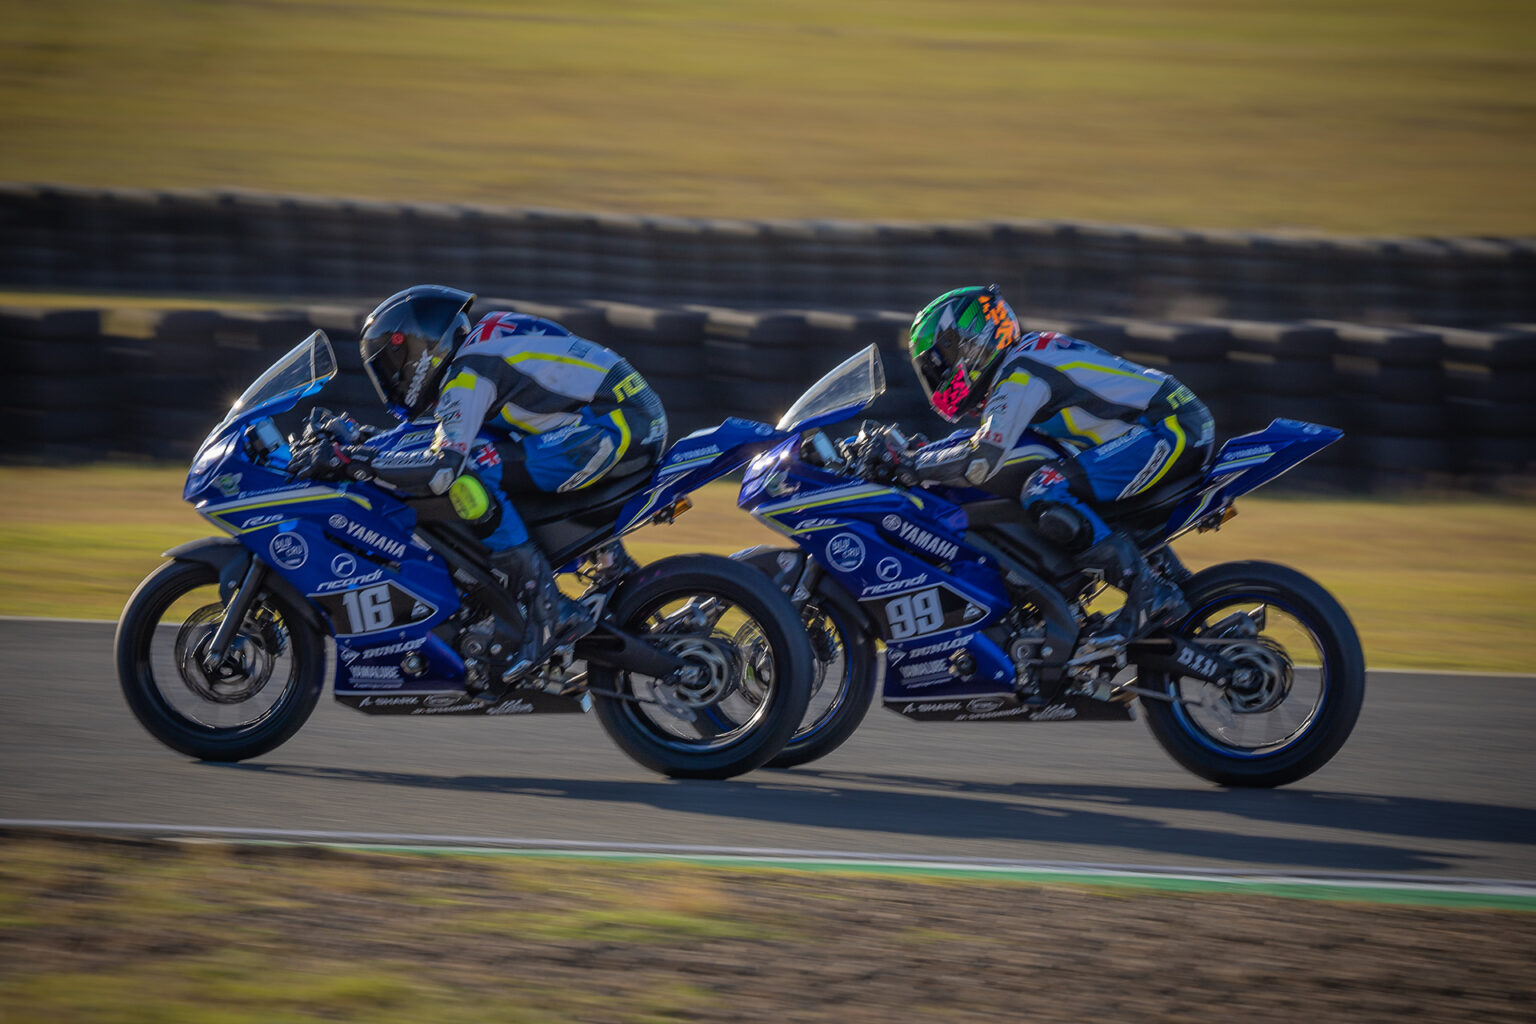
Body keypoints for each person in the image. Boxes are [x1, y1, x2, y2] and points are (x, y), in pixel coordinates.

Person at [292, 284, 668, 693]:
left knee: (471, 473)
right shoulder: (485, 342)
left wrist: (354, 462)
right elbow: (440, 434)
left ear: (422, 348)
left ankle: (548, 609)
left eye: (393, 363)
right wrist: (364, 442)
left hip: (613, 429)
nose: (393, 377)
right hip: (624, 419)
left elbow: (442, 467)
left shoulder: (468, 372)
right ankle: (613, 569)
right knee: (488, 456)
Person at [898, 284, 1215, 649]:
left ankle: (1148, 594)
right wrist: (924, 452)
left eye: (940, 363)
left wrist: (913, 466)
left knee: (1044, 488)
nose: (940, 376)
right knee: (1080, 494)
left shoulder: (1019, 374)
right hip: (1170, 425)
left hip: (1169, 430)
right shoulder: (1026, 358)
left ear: (971, 345)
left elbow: (981, 460)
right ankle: (1184, 598)